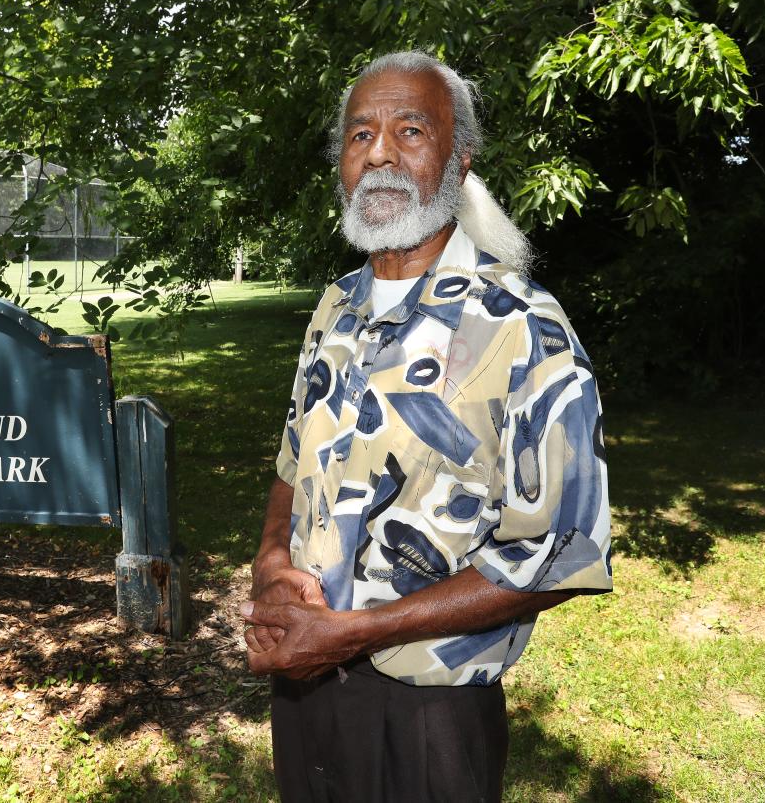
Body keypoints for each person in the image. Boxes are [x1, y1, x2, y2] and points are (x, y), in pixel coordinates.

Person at [242, 50, 613, 803]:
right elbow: (292, 460)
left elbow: (561, 550)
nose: (378, 152)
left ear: (458, 157)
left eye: (409, 130)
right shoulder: (333, 307)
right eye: (359, 134)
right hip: (303, 688)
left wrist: (355, 633)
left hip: (428, 711)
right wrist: (270, 560)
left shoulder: (520, 327)